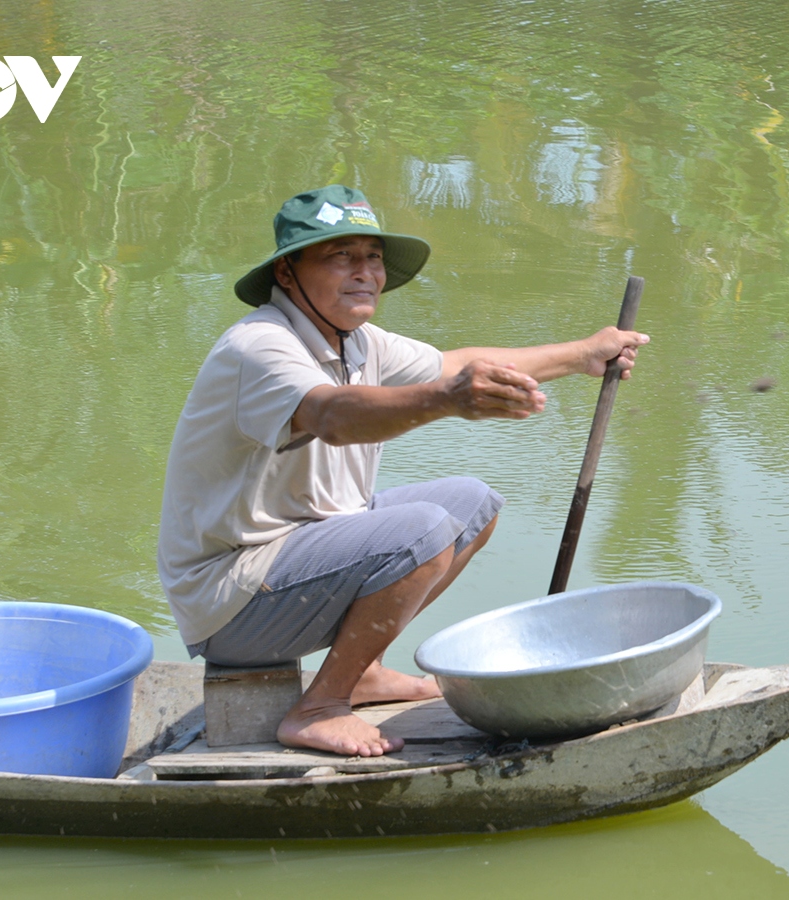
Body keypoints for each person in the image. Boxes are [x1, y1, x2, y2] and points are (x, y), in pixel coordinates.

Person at [157, 185, 647, 757]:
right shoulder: (261, 347)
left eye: (371, 257)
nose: (363, 272)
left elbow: (458, 364)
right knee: (423, 531)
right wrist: (445, 400)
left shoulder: (357, 343)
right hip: (232, 600)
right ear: (287, 273)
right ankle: (319, 708)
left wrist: (584, 353)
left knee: (472, 502)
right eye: (340, 256)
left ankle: (362, 672)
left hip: (296, 563)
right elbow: (332, 416)